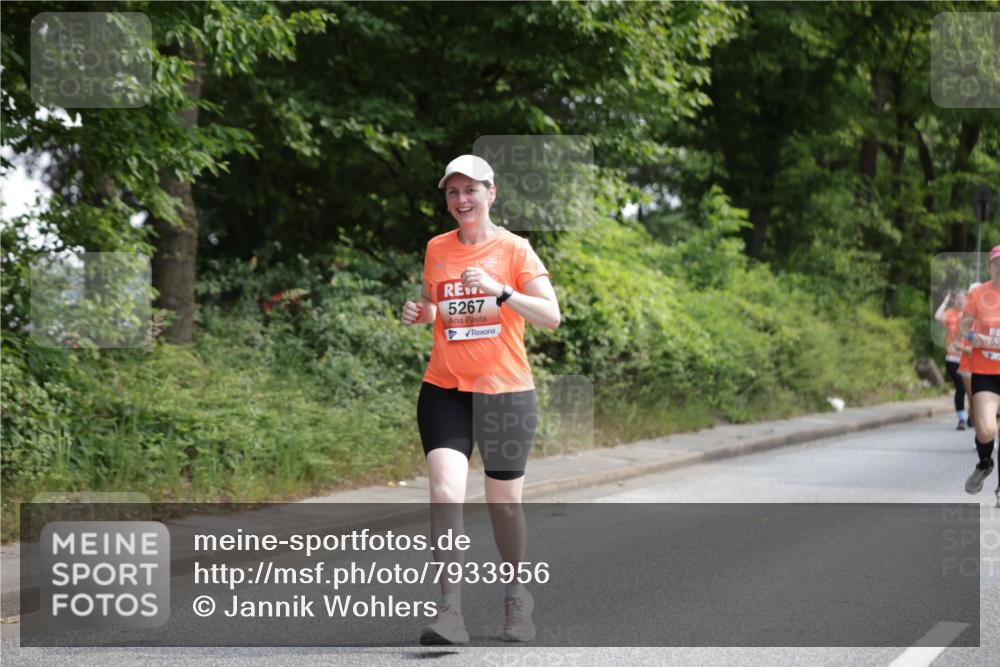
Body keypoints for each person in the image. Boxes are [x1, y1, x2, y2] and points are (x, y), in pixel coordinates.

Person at [400, 154, 561, 644]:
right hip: (445, 389)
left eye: (471, 190)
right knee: (445, 494)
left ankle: (516, 595)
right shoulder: (437, 248)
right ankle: (450, 611)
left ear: (491, 194)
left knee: (503, 505)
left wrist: (501, 291)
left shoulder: (516, 250)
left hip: (506, 393)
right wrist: (421, 313)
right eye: (453, 192)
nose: (462, 200)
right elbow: (440, 307)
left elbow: (551, 316)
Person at [960, 246, 1000, 507]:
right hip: (985, 372)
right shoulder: (978, 293)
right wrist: (976, 337)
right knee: (986, 429)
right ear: (989, 267)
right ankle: (985, 463)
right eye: (996, 263)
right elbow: (964, 326)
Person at [935, 288, 968, 429]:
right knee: (960, 388)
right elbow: (937, 317)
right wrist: (946, 300)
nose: (960, 300)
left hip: (968, 359)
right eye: (957, 298)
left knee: (971, 389)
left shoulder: (970, 314)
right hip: (953, 360)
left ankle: (973, 416)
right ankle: (961, 419)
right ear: (954, 300)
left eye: (962, 297)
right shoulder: (950, 314)